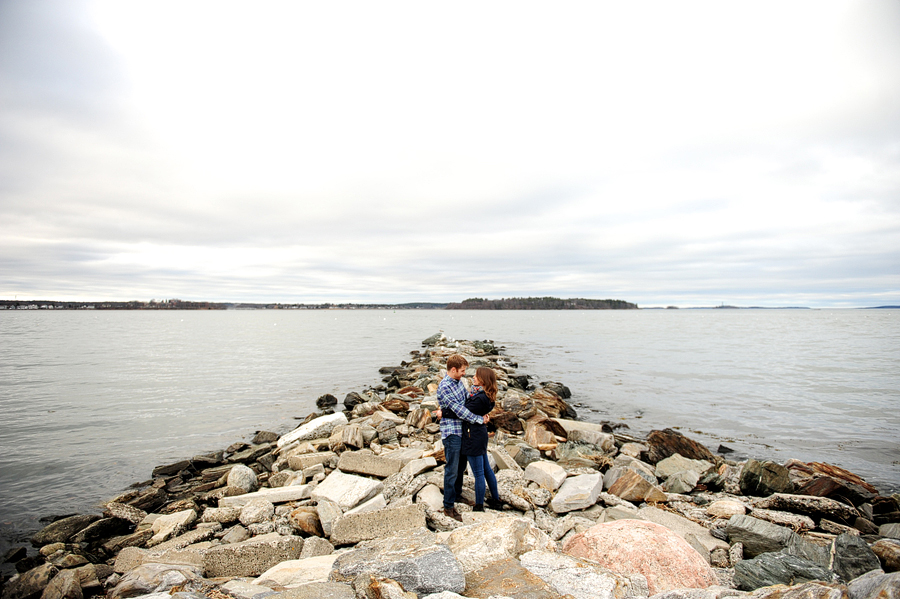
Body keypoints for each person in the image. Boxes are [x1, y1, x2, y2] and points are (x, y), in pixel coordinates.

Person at [436, 354, 486, 522]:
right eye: (463, 371)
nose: (465, 374)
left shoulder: (459, 382)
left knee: (461, 466)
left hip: (462, 430)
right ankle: (448, 506)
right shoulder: (444, 387)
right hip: (452, 432)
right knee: (451, 469)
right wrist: (478, 419)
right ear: (453, 369)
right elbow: (459, 409)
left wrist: (482, 396)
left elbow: (466, 400)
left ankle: (457, 495)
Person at [461, 367, 502, 511]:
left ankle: (479, 506)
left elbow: (462, 411)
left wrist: (443, 412)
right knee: (486, 470)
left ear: (483, 380)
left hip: (473, 436)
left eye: (476, 376)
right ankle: (496, 501)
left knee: (479, 473)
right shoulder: (485, 396)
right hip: (480, 434)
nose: (473, 377)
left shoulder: (480, 398)